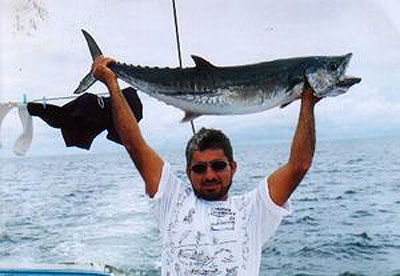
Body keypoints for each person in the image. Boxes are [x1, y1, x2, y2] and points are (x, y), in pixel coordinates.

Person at [92, 55, 319, 275]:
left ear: (233, 167)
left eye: (218, 166)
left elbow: (299, 164)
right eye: (199, 168)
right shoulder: (172, 201)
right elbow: (134, 144)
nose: (209, 175)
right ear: (188, 173)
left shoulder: (253, 210)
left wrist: (307, 102)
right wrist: (112, 83)